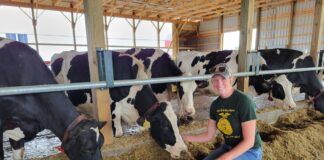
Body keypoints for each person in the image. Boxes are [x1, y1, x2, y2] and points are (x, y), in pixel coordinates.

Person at [182, 63, 262, 160]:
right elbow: (209, 136)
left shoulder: (244, 102)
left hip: (251, 151)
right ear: (212, 82)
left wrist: (224, 158)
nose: (219, 84)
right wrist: (184, 137)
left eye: (223, 79)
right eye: (215, 80)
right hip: (228, 147)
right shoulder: (215, 105)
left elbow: (249, 142)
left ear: (231, 80)